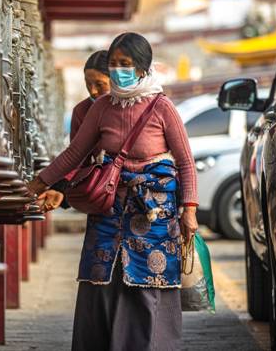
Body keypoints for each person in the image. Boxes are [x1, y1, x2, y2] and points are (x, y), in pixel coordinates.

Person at [28, 32, 199, 351]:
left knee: (149, 283)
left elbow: (186, 163)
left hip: (154, 213)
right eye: (114, 63)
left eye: (126, 63)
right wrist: (37, 184)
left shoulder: (163, 108)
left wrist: (189, 210)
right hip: (109, 207)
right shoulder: (102, 107)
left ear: (143, 67)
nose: (118, 69)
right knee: (100, 279)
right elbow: (73, 153)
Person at [37, 50, 111, 212]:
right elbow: (77, 157)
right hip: (102, 193)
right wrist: (60, 188)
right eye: (88, 84)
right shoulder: (82, 111)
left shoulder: (135, 107)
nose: (92, 91)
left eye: (99, 84)